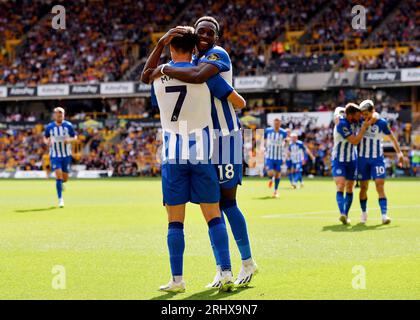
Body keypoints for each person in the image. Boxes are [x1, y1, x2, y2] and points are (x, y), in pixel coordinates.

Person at [142, 17, 257, 288]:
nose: (205, 35)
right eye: (201, 31)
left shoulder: (216, 56)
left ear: (216, 37)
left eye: (210, 32)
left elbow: (226, 94)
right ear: (194, 40)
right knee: (213, 206)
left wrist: (163, 69)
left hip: (225, 138)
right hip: (205, 143)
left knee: (227, 204)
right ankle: (222, 268)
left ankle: (247, 261)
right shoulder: (193, 63)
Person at [357, 100, 407, 224]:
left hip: (377, 159)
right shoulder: (359, 121)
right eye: (362, 114)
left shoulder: (381, 123)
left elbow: (392, 138)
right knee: (363, 187)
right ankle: (364, 212)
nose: (364, 116)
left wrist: (399, 153)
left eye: (366, 113)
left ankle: (384, 215)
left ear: (372, 111)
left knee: (380, 185)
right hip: (362, 159)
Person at [332, 103, 373, 225]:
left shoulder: (355, 119)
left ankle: (346, 214)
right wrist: (363, 128)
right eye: (357, 114)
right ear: (350, 115)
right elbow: (355, 141)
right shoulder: (342, 124)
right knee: (340, 185)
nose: (360, 116)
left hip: (352, 160)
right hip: (339, 159)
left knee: (350, 187)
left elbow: (373, 114)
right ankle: (343, 213)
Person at [43, 107, 77, 208]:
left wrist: (69, 140)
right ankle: (60, 199)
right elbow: (45, 137)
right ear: (54, 115)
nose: (60, 116)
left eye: (61, 114)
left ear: (64, 115)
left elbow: (75, 137)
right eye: (58, 114)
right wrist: (47, 142)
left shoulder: (68, 125)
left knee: (65, 179)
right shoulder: (50, 127)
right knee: (58, 175)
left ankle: (61, 183)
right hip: (55, 155)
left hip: (66, 155)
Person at [264, 118, 288, 197]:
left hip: (279, 156)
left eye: (278, 123)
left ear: (280, 124)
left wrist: (286, 153)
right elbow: (264, 140)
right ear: (273, 124)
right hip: (270, 155)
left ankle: (275, 190)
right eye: (275, 123)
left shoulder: (283, 132)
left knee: (278, 174)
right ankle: (271, 179)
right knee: (270, 172)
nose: (276, 125)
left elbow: (286, 142)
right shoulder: (268, 130)